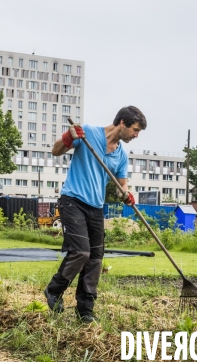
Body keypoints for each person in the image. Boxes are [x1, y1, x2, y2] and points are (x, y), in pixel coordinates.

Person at [44, 106, 147, 322]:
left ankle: (85, 309)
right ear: (122, 123)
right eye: (135, 130)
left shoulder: (120, 155)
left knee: (96, 259)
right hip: (73, 200)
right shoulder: (88, 132)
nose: (136, 135)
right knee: (81, 252)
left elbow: (122, 186)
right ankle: (54, 290)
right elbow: (56, 150)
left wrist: (126, 195)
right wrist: (68, 137)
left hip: (95, 207)